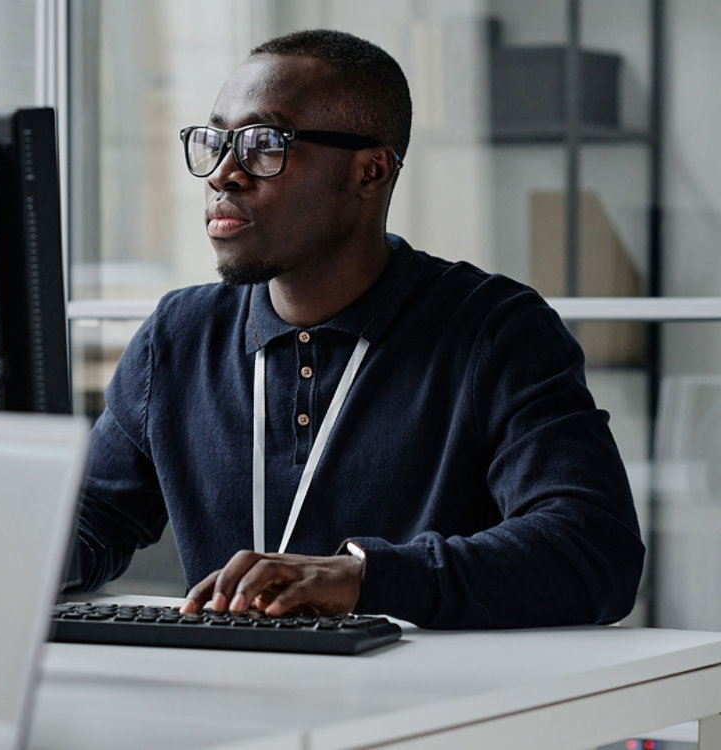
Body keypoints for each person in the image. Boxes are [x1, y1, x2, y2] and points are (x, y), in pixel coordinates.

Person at [74, 28, 645, 629]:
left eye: (264, 144)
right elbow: (88, 525)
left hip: (427, 712)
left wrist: (365, 578)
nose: (223, 173)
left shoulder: (494, 331)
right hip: (232, 703)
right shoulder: (179, 337)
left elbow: (593, 550)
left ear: (370, 173)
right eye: (216, 141)